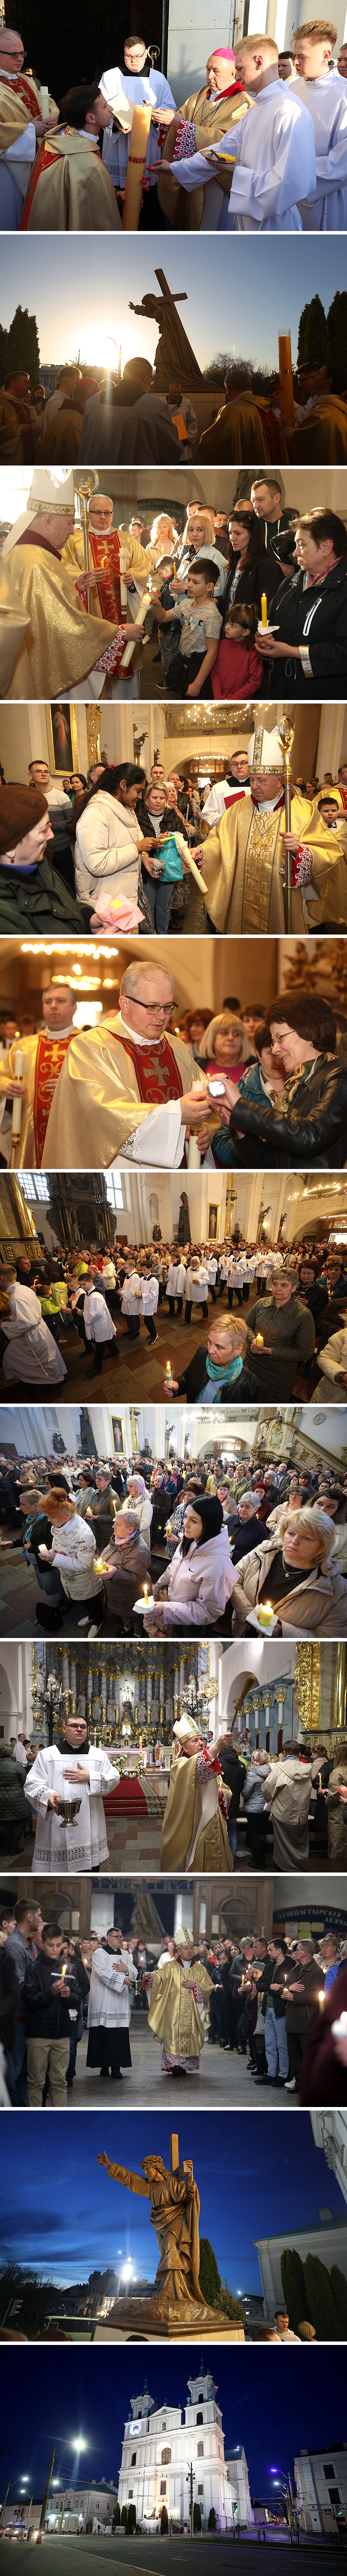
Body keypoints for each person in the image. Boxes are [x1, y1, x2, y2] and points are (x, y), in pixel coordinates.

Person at [43, 963, 206, 1171]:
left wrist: (205, 1130)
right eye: (153, 1007)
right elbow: (100, 1114)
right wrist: (177, 1115)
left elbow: (203, 1094)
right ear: (125, 1004)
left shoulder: (177, 1047)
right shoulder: (91, 1046)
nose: (162, 1016)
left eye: (168, 1007)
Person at [0, 471, 136, 702]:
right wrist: (119, 632)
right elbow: (64, 626)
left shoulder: (23, 553)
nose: (73, 530)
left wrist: (75, 588)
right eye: (71, 522)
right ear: (48, 520)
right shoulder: (38, 562)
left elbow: (42, 610)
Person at [201, 721, 334, 936]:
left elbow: (329, 851)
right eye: (252, 780)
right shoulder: (239, 808)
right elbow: (219, 841)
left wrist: (302, 852)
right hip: (241, 898)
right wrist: (201, 852)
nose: (254, 787)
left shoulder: (303, 810)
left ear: (280, 780)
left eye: (261, 781)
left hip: (282, 900)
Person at [173, 34, 316, 230]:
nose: (237, 77)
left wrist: (237, 173)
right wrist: (176, 168)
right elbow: (224, 149)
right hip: (249, 218)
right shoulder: (257, 108)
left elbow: (295, 183)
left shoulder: (289, 110)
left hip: (275, 225)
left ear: (259, 62)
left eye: (239, 69)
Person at [210, 988, 347, 1172]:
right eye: (274, 1041)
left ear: (312, 1032)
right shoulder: (295, 1086)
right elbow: (268, 1165)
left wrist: (242, 1107)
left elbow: (311, 1135)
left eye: (280, 1038)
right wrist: (240, 1127)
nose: (275, 1050)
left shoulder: (339, 1078)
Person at [258, 508, 347, 699]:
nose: (295, 552)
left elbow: (344, 653)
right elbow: (271, 620)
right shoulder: (291, 583)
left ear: (326, 548)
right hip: (282, 687)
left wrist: (293, 652)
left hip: (322, 693)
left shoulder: (344, 588)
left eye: (302, 545)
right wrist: (264, 638)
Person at [159, 46, 250, 228]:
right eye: (208, 70)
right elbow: (182, 116)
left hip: (215, 178)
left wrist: (182, 125)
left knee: (211, 224)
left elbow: (225, 141)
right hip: (190, 172)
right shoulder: (202, 93)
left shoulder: (243, 102)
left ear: (233, 73)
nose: (210, 76)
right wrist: (165, 122)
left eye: (216, 71)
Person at [231, 1504, 344, 1640]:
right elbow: (234, 1581)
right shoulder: (262, 1552)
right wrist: (252, 1616)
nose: (294, 1541)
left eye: (307, 1538)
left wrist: (283, 1631)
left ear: (323, 1544)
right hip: (241, 1632)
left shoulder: (337, 1588)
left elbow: (331, 1637)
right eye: (291, 1533)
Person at [25, 1706, 117, 1871]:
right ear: (64, 1729)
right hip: (57, 1819)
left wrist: (91, 1777)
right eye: (74, 1726)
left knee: (89, 1870)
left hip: (90, 1820)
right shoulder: (48, 1755)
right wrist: (48, 1795)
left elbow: (114, 1779)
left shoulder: (98, 1755)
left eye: (83, 1727)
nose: (79, 1729)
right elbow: (32, 1784)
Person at [21, 81, 122, 230]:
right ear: (91, 119)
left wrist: (116, 194)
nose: (111, 109)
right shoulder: (87, 161)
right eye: (105, 106)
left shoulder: (59, 138)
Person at [100, 34, 176, 226]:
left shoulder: (158, 79)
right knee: (119, 195)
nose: (134, 61)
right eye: (129, 56)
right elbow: (99, 108)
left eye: (138, 56)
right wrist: (115, 121)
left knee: (148, 201)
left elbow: (170, 109)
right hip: (119, 144)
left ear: (146, 54)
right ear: (123, 54)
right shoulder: (110, 77)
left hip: (147, 143)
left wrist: (156, 115)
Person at [144, 1495, 238, 1634]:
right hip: (175, 1610)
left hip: (195, 1625)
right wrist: (158, 1589)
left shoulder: (219, 1566)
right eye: (186, 1517)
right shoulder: (190, 1541)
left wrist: (167, 1609)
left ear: (209, 1524)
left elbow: (209, 1612)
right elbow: (174, 1568)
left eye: (193, 1521)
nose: (185, 1524)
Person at [0, 788, 86, 939]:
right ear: (10, 849)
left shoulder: (42, 865)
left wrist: (89, 917)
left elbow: (61, 906)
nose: (51, 834)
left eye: (49, 825)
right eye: (42, 830)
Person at [292, 18, 347, 230]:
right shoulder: (291, 88)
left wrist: (291, 172)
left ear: (326, 56)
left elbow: (342, 162)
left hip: (323, 195)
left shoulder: (344, 93)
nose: (295, 62)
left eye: (302, 57)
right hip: (285, 189)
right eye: (295, 56)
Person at [160, 1712, 232, 1871]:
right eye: (196, 1741)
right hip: (192, 1823)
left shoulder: (211, 1763)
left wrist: (221, 1794)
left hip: (215, 1823)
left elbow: (225, 1790)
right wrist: (217, 1747)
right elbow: (195, 1769)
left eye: (201, 1740)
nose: (201, 1743)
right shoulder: (179, 1764)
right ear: (184, 1747)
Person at [33, 1483, 105, 1634]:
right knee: (84, 1602)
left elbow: (85, 1565)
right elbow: (60, 1545)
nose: (49, 1521)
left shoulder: (83, 1534)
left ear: (66, 1515)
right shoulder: (60, 1526)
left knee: (90, 1601)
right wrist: (51, 1553)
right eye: (49, 1516)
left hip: (84, 1578)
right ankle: (93, 1617)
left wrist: (56, 1558)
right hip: (69, 1576)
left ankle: (98, 1621)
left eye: (52, 1517)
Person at [23, 1924, 78, 2106]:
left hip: (62, 2033)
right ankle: (34, 2123)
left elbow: (77, 1996)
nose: (55, 1950)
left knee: (59, 2083)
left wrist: (69, 1996)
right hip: (39, 2034)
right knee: (36, 2083)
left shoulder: (68, 1969)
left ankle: (59, 2123)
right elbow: (30, 2000)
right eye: (50, 1946)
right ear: (43, 1944)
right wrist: (51, 1992)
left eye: (58, 1946)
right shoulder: (34, 1969)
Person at [147, 1927, 213, 2076]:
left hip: (193, 2013)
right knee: (172, 2036)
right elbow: (159, 1978)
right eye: (186, 1948)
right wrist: (149, 1977)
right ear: (179, 1950)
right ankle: (175, 2065)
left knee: (190, 2036)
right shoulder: (170, 1967)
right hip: (173, 2012)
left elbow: (210, 1986)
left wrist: (195, 1986)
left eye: (191, 1948)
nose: (189, 1951)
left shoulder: (201, 1969)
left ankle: (185, 2065)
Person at [152, 559, 221, 700]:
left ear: (209, 587)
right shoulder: (186, 604)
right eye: (189, 580)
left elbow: (213, 653)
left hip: (199, 666)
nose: (189, 585)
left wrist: (198, 683)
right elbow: (163, 617)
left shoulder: (212, 615)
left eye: (195, 582)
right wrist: (156, 604)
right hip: (184, 661)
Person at [244, 1268, 315, 1399]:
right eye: (275, 1284)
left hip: (278, 1374)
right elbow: (247, 1325)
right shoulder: (261, 1304)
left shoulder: (303, 1314)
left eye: (284, 1285)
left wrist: (271, 1351)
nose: (278, 1289)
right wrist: (253, 1340)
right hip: (251, 1364)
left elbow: (305, 1352)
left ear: (294, 1288)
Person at [2, 1896, 43, 2102]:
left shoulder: (30, 1944)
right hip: (18, 2019)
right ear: (29, 1917)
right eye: (39, 1915)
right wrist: (44, 1992)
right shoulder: (15, 1945)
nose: (40, 1919)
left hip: (29, 2018)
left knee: (26, 2073)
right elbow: (18, 1985)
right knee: (16, 2072)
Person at [0, 1264, 67, 1388]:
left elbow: (27, 1323)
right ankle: (51, 1377)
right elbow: (32, 1311)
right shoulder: (25, 1289)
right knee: (47, 1355)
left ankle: (55, 1380)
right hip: (39, 1327)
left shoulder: (16, 1297)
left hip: (33, 1333)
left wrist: (4, 1326)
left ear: (1, 1279)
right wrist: (11, 1318)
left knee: (45, 1358)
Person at [86, 1928, 136, 2082]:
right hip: (104, 1999)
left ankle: (116, 2068)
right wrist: (122, 1979)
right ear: (109, 1938)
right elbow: (102, 1973)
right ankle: (103, 2067)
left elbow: (134, 1973)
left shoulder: (126, 1955)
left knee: (118, 2035)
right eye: (117, 1937)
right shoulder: (99, 1954)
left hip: (120, 2000)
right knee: (104, 2032)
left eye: (121, 1937)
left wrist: (127, 1969)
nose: (121, 1939)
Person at [167, 1315, 249, 1406]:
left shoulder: (252, 1386)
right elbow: (187, 1378)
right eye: (210, 1342)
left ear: (238, 1350)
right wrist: (177, 1386)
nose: (210, 1351)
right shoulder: (202, 1354)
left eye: (219, 1347)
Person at [101, 1509, 152, 1629]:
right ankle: (127, 1628)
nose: (113, 1526)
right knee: (124, 1615)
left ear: (131, 1529)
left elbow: (138, 1578)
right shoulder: (118, 1537)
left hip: (131, 1596)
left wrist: (115, 1574)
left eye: (118, 1524)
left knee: (135, 1617)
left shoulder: (140, 1551)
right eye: (115, 1523)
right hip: (118, 1594)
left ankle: (138, 1634)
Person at [284, 1938, 324, 2090]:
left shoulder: (316, 1972)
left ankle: (308, 2086)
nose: (295, 1953)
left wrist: (294, 1997)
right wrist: (289, 1989)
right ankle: (299, 2084)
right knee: (294, 2056)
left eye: (297, 1950)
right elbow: (285, 1987)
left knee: (306, 2056)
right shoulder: (295, 1969)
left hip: (307, 2021)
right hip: (292, 2018)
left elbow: (317, 1996)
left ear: (305, 1953)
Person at [211, 601, 263, 700]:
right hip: (220, 699)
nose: (226, 627)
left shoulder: (254, 653)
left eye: (233, 625)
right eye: (227, 622)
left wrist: (232, 700)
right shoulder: (222, 645)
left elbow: (255, 683)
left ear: (246, 632)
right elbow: (215, 672)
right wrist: (219, 697)